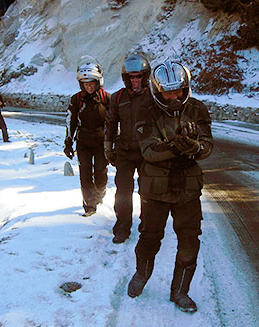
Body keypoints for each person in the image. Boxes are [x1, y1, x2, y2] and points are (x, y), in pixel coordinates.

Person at [127, 60, 213, 313]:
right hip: (155, 187)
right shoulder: (146, 109)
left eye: (178, 91)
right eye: (168, 92)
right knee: (150, 236)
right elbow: (150, 151)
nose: (174, 96)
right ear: (157, 90)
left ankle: (180, 291)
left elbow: (208, 144)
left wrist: (196, 148)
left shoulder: (197, 109)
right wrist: (176, 146)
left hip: (188, 186)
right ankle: (141, 274)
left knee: (189, 239)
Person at [104, 53, 151, 244]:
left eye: (139, 76)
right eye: (132, 77)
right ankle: (122, 227)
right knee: (123, 191)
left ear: (145, 76)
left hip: (148, 151)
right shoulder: (117, 98)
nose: (135, 81)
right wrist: (108, 147)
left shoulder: (153, 96)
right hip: (124, 151)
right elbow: (110, 123)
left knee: (147, 191)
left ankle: (148, 225)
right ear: (126, 78)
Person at [64, 55, 110, 217]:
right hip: (83, 142)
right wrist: (68, 142)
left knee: (100, 174)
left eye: (91, 83)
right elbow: (71, 121)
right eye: (86, 84)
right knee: (85, 173)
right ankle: (89, 205)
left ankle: (100, 193)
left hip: (101, 143)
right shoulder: (76, 100)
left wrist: (114, 142)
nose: (89, 87)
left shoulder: (107, 99)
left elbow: (115, 122)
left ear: (98, 82)